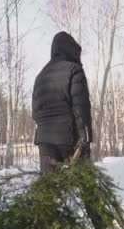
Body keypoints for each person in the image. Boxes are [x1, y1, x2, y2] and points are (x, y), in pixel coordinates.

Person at [32, 31, 92, 173]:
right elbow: (81, 107)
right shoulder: (74, 70)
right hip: (69, 139)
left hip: (44, 142)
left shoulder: (40, 76)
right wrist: (85, 138)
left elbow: (35, 112)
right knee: (84, 186)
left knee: (50, 190)